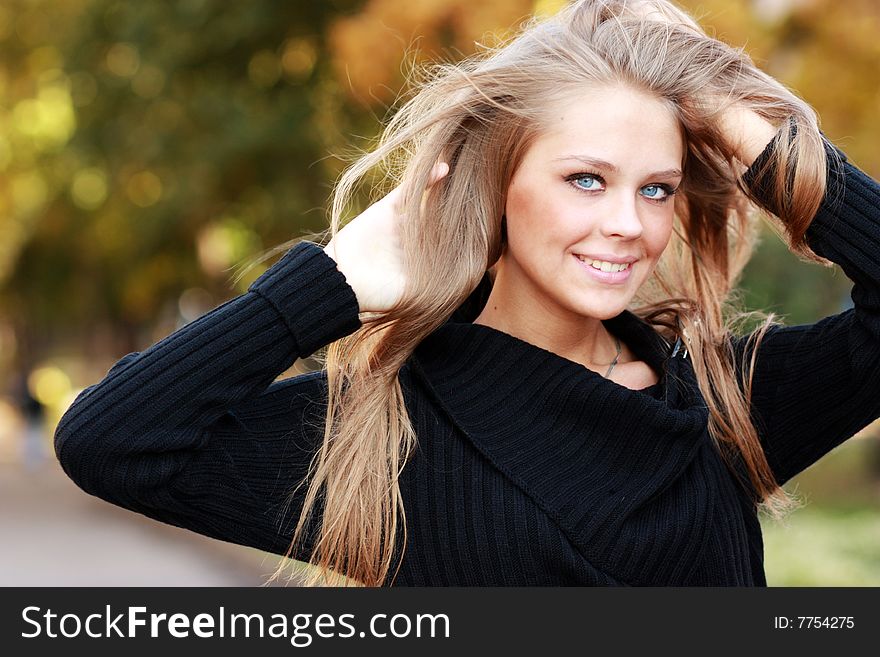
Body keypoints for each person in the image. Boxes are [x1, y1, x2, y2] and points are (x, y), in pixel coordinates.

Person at [54, 0, 880, 587]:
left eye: (657, 188)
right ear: (494, 186)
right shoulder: (381, 432)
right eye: (586, 179)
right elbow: (111, 441)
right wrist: (328, 283)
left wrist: (761, 140)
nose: (628, 222)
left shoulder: (725, 402)